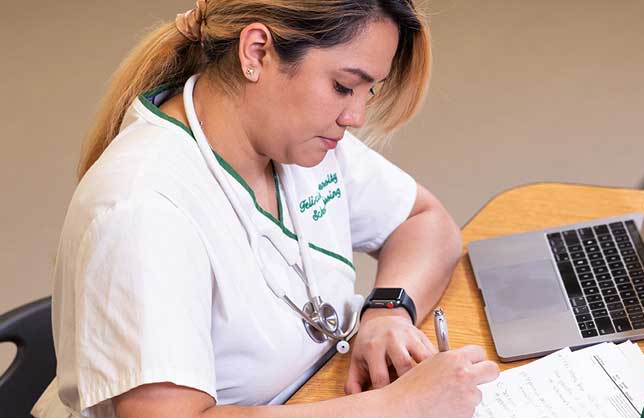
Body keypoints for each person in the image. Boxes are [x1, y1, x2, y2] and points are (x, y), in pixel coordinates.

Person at [31, 1, 500, 418]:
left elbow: (424, 222)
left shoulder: (300, 140)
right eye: (343, 86)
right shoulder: (143, 209)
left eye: (368, 91)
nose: (355, 116)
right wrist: (399, 405)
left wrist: (387, 313)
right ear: (256, 52)